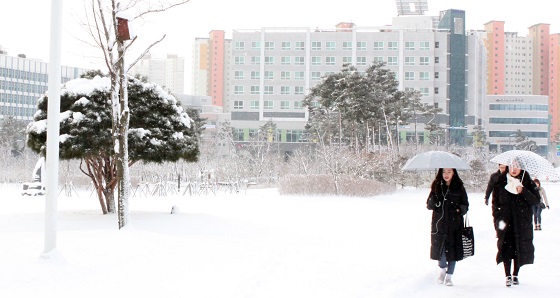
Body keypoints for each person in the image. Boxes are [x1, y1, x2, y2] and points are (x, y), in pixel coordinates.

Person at [492, 163, 540, 287]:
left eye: (517, 166)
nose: (513, 169)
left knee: (519, 249)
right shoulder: (501, 181)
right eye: (511, 166)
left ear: (522, 168)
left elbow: (536, 200)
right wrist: (497, 220)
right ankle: (507, 275)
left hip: (522, 223)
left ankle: (515, 274)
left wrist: (523, 191)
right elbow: (495, 203)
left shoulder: (527, 182)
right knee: (505, 248)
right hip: (504, 222)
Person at [426, 168, 469, 286]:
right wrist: (433, 200)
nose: (446, 174)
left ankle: (449, 276)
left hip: (455, 225)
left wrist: (460, 209)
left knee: (453, 252)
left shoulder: (459, 187)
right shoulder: (436, 185)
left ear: (453, 173)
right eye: (444, 172)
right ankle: (442, 269)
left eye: (449, 172)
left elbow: (465, 204)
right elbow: (429, 205)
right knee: (441, 250)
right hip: (439, 224)